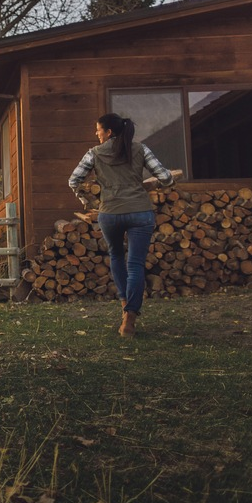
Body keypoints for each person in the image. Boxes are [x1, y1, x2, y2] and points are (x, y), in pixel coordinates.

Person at [68, 113, 175, 337]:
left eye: (98, 129)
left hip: (110, 214)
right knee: (135, 264)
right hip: (140, 212)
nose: (96, 134)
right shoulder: (140, 149)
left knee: (116, 256)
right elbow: (165, 177)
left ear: (108, 132)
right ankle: (130, 317)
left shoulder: (94, 153)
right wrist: (167, 182)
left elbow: (73, 180)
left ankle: (124, 305)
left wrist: (87, 200)